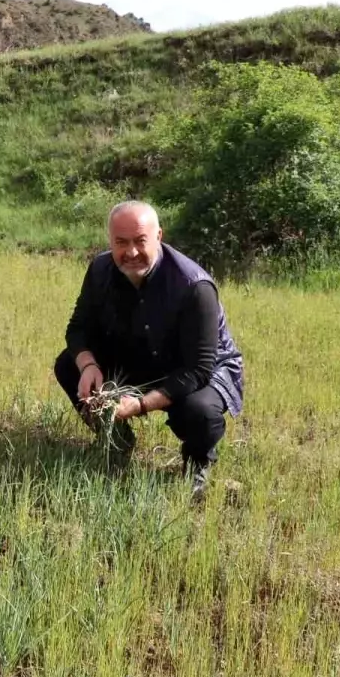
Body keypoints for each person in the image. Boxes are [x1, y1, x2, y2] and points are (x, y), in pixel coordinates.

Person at [53, 200, 244, 498]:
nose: (130, 252)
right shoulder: (100, 269)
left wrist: (140, 404)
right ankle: (116, 439)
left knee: (200, 412)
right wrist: (89, 366)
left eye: (140, 241)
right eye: (121, 242)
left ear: (158, 237)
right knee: (68, 364)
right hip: (139, 355)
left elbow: (199, 368)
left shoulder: (194, 286)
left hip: (196, 371)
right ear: (110, 242)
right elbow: (78, 328)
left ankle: (197, 462)